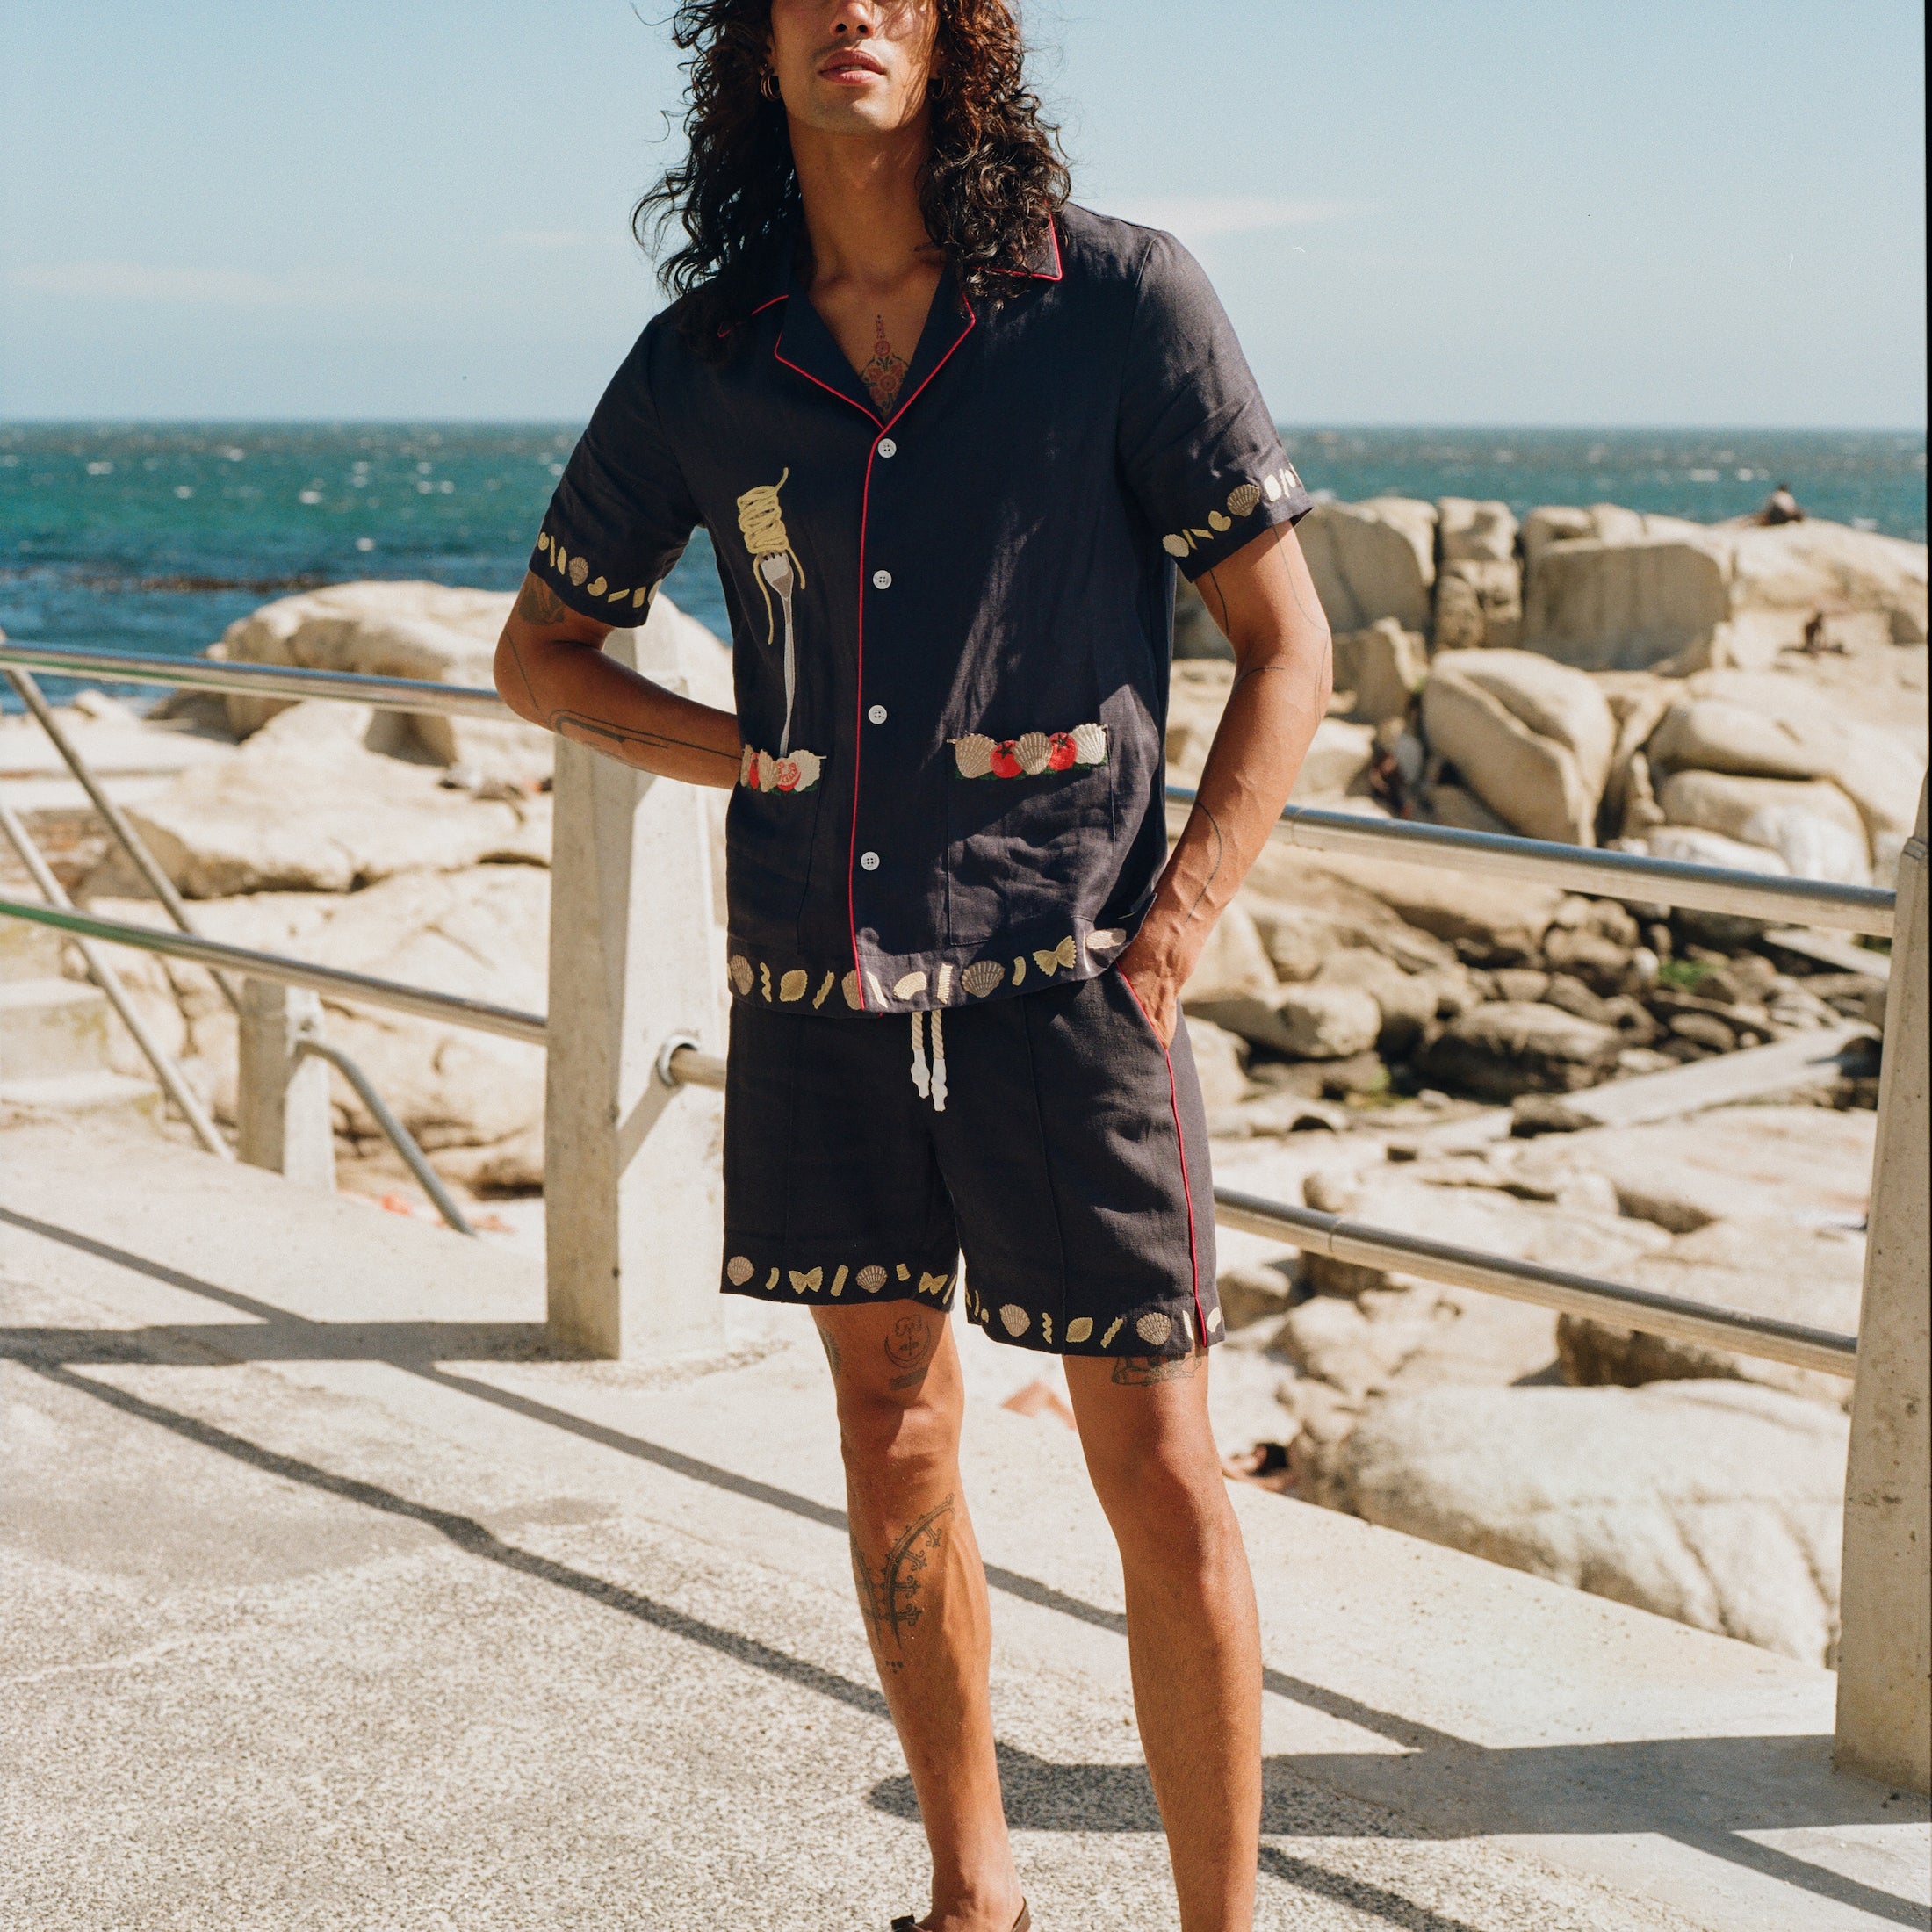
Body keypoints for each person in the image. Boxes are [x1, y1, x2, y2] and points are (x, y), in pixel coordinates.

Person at [494, 4, 1332, 1926]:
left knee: (1160, 1464)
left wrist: (1174, 930)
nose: (853, 7)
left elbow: (1287, 643)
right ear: (755, 43)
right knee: (891, 1437)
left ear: (959, 33)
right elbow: (539, 653)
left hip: (1074, 988)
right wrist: (752, 752)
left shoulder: (1115, 303)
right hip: (818, 997)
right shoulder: (709, 361)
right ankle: (974, 1901)